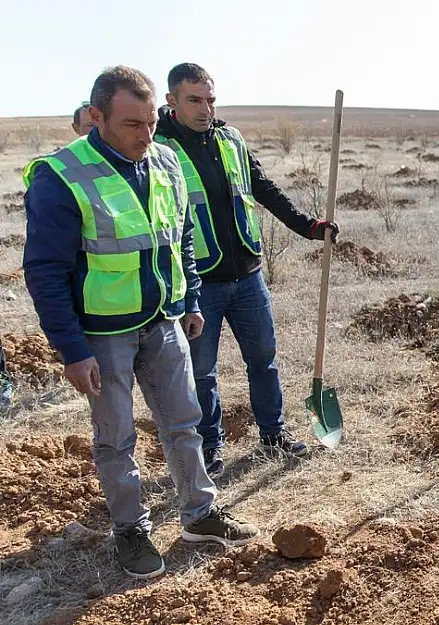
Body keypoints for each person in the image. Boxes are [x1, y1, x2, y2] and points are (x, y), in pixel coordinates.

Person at [22, 65, 259, 579]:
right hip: (103, 334)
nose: (145, 134)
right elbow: (45, 272)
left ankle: (200, 514)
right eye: (131, 124)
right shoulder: (61, 175)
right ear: (95, 116)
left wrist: (191, 298)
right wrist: (72, 349)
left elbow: (182, 237)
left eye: (151, 122)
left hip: (164, 318)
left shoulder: (166, 160)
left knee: (184, 422)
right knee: (116, 437)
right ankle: (131, 532)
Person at [154, 63, 339, 477]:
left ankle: (272, 435)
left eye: (211, 99)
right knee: (202, 372)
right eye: (194, 100)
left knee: (264, 359)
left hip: (248, 277)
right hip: (199, 283)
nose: (205, 108)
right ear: (172, 102)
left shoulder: (230, 138)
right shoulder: (158, 149)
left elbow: (263, 188)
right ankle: (210, 448)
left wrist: (308, 226)